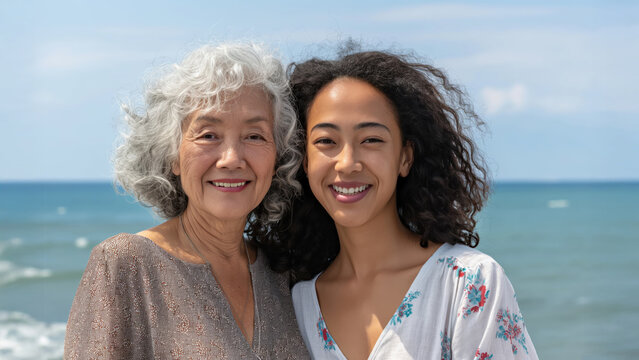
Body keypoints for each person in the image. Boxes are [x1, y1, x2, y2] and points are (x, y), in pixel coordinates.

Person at [282, 49, 538, 359]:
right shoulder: (298, 304)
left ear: (405, 157)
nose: (347, 163)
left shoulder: (468, 285)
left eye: (371, 140)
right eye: (326, 142)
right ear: (305, 160)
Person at [64, 43, 309, 359]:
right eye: (208, 135)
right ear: (173, 155)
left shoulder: (283, 274)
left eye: (255, 136)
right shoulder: (125, 264)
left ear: (278, 157)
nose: (232, 159)